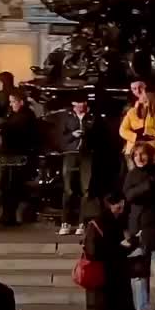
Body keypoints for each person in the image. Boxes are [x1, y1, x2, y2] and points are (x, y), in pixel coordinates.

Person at [81, 193, 140, 310]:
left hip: (109, 281)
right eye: (118, 207)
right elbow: (97, 252)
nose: (120, 210)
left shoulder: (111, 223)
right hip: (105, 281)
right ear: (110, 205)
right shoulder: (98, 225)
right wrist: (123, 247)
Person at [122, 141, 155, 310]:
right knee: (138, 274)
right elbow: (128, 196)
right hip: (137, 230)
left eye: (143, 154)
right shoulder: (132, 175)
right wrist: (148, 186)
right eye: (136, 155)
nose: (139, 158)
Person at [58, 98, 106, 236]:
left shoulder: (93, 118)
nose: (81, 105)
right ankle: (65, 222)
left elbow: (101, 137)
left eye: (83, 103)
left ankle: (82, 222)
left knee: (86, 188)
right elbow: (60, 138)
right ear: (73, 104)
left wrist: (88, 135)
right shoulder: (66, 117)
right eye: (78, 103)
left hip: (87, 155)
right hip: (70, 154)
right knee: (69, 189)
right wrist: (72, 135)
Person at [0, 90, 40, 226]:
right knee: (4, 186)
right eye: (10, 102)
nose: (11, 104)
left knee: (11, 186)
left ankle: (10, 215)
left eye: (13, 102)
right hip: (9, 155)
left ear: (21, 102)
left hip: (17, 156)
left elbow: (17, 130)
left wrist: (2, 129)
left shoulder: (26, 116)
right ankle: (6, 214)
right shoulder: (13, 114)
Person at [119, 84, 155, 164]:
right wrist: (135, 136)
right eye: (144, 100)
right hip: (133, 151)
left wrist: (148, 132)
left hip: (152, 152)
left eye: (148, 101)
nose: (146, 104)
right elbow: (122, 130)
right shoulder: (132, 112)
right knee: (134, 174)